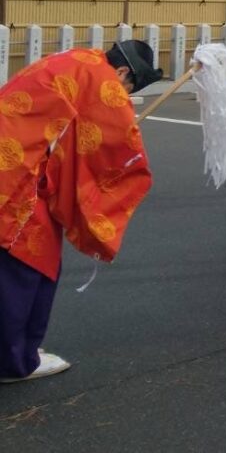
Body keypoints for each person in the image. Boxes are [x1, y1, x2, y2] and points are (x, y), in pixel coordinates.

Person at [0, 40, 162, 382]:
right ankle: (12, 361)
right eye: (127, 89)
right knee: (29, 264)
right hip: (17, 178)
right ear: (122, 72)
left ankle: (17, 350)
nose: (123, 95)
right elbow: (114, 143)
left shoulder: (79, 59)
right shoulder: (102, 80)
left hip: (17, 160)